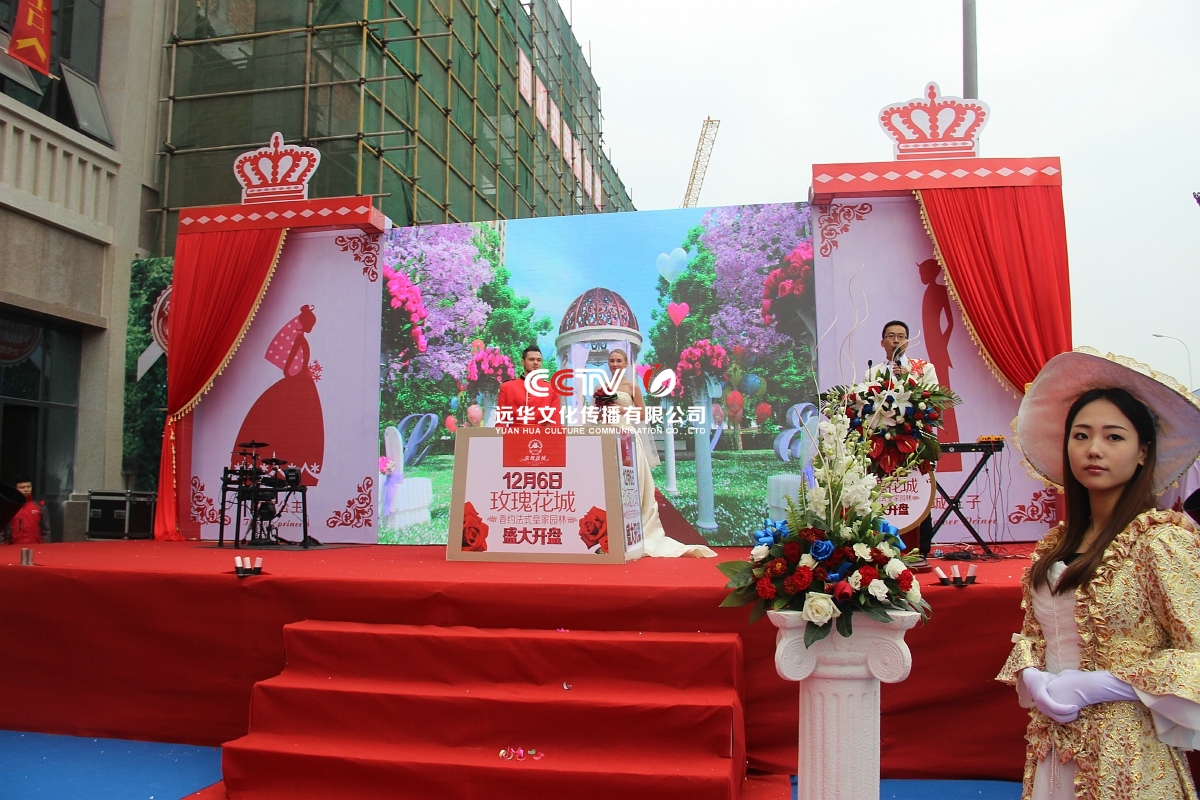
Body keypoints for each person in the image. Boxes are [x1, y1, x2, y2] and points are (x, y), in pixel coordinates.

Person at [997, 348, 1200, 800]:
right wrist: (1032, 673)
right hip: (1053, 745)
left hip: (1128, 754)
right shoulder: (1055, 544)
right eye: (1082, 435)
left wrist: (1109, 684)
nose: (1094, 449)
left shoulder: (1160, 541)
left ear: (1143, 452)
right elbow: (1032, 636)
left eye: (1114, 437)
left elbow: (1196, 654)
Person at [604, 349, 715, 558]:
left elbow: (642, 413)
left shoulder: (632, 387)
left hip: (627, 436)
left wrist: (622, 410)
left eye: (619, 360)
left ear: (626, 363)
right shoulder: (602, 387)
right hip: (608, 436)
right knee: (609, 482)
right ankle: (612, 529)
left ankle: (634, 527)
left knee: (632, 481)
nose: (615, 364)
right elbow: (596, 413)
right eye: (612, 361)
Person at [869, 320, 940, 569]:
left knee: (916, 491)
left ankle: (920, 550)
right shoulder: (873, 372)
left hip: (916, 440)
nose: (896, 340)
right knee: (885, 494)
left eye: (901, 336)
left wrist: (906, 379)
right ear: (883, 342)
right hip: (883, 442)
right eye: (891, 336)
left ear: (908, 342)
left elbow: (933, 399)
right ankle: (882, 548)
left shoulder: (924, 368)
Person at [495, 344, 561, 426]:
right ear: (523, 362)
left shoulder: (551, 389)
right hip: (514, 433)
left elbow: (555, 424)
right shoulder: (507, 387)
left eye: (539, 360)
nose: (536, 362)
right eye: (531, 359)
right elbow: (500, 423)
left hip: (541, 433)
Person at [3, 476, 50, 545]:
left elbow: (46, 530)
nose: (26, 490)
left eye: (29, 487)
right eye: (22, 487)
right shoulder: (9, 507)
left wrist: (45, 546)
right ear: (15, 489)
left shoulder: (40, 506)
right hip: (12, 547)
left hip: (36, 546)